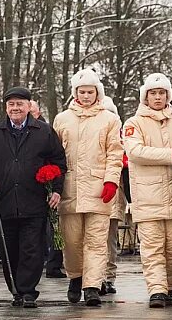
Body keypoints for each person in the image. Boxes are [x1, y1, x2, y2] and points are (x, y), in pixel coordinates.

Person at [0, 87, 67, 307]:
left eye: (20, 104)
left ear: (29, 106)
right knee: (10, 248)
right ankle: (15, 288)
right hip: (4, 200)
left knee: (32, 247)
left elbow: (58, 163)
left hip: (34, 200)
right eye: (11, 104)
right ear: (6, 107)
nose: (15, 108)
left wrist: (56, 189)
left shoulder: (43, 131)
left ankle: (27, 291)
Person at [52, 69, 123, 307]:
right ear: (75, 93)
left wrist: (111, 180)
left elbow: (115, 153)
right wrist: (54, 181)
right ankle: (75, 276)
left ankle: (92, 285)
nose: (85, 96)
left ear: (97, 93)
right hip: (70, 188)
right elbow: (55, 153)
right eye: (81, 92)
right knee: (72, 240)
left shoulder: (109, 119)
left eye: (90, 92)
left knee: (96, 240)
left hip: (98, 188)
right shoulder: (62, 119)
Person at [122, 74, 172, 307]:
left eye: (161, 93)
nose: (157, 97)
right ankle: (156, 289)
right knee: (152, 246)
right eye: (153, 93)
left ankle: (170, 284)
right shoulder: (133, 123)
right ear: (145, 97)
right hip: (147, 196)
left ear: (168, 95)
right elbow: (136, 152)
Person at [101, 96, 127, 295]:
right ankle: (94, 276)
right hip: (89, 192)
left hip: (113, 194)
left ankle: (108, 276)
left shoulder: (121, 138)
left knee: (109, 238)